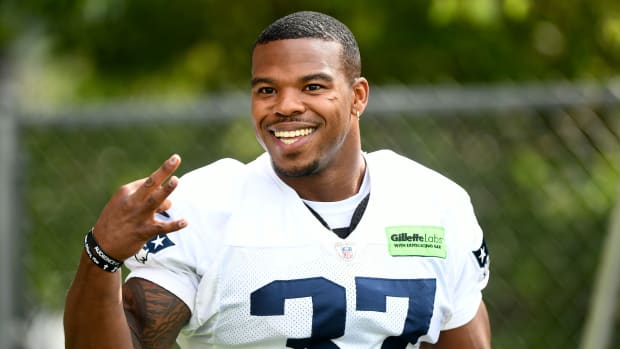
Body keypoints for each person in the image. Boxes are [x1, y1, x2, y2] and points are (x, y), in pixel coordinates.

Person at [64, 10, 491, 349]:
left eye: (312, 86)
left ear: (357, 96)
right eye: (266, 90)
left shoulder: (436, 203)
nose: (286, 106)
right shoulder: (204, 205)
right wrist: (100, 256)